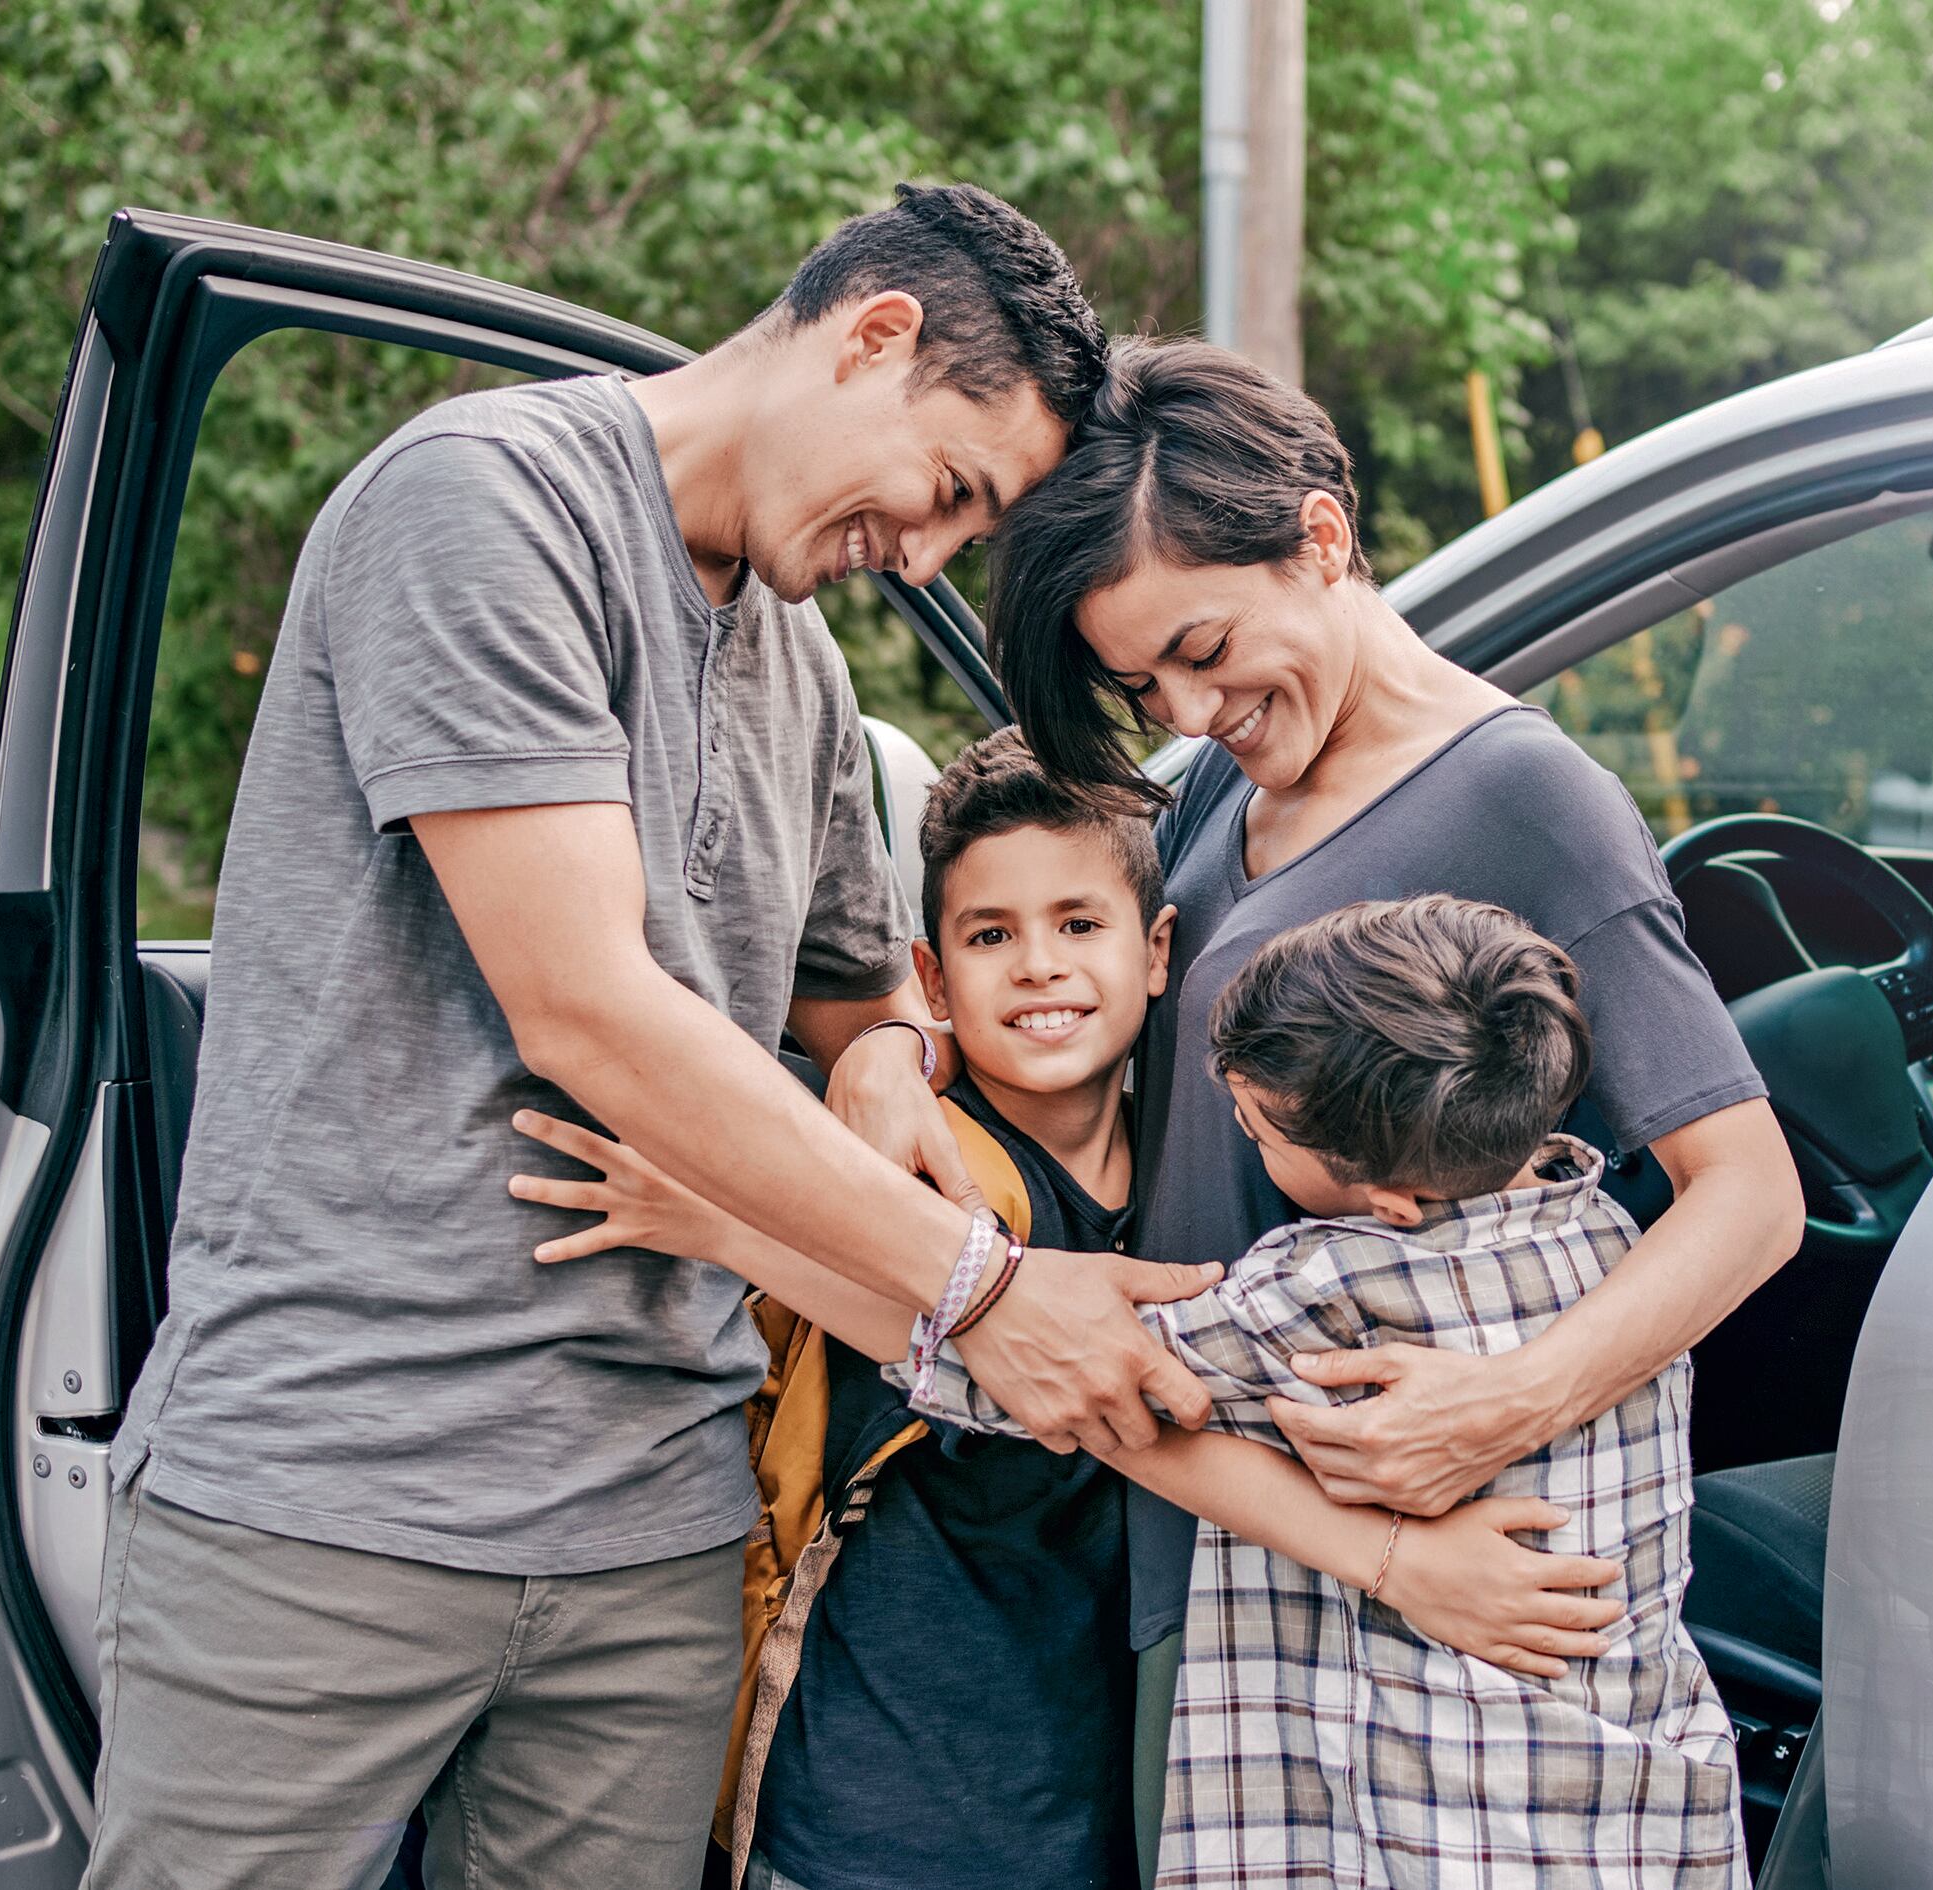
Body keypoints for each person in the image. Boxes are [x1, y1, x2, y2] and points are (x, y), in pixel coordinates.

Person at [86, 186, 1212, 1890]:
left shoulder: (805, 668)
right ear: (874, 336)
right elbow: (589, 1005)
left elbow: (866, 986)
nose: (918, 555)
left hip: (661, 1526)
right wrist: (975, 1290)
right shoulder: (480, 505)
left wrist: (877, 1056)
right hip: (335, 1488)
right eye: (946, 495)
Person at [950, 338, 1809, 1870]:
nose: (1191, 704)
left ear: (1323, 538)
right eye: (1146, 680)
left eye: (1207, 648)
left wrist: (1513, 1398)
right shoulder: (1228, 781)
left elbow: (1746, 1192)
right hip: (1206, 1510)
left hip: (1398, 1571)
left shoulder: (1525, 799)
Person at [513, 752, 1636, 1889]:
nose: (1040, 965)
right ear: (933, 978)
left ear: (1156, 952)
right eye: (991, 936)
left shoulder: (1211, 1164)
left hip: (1106, 1781)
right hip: (886, 1797)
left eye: (1078, 923)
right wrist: (735, 1216)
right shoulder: (917, 1182)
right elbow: (1068, 1394)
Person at [910, 894, 1749, 1887]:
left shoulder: (1335, 1286)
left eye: (1261, 1133)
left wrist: (757, 1233)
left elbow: (1042, 1373)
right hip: (1629, 1799)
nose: (1243, 1132)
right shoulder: (1614, 1242)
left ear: (1392, 1203)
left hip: (1436, 1828)